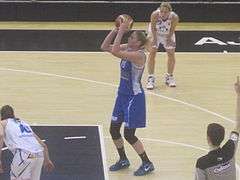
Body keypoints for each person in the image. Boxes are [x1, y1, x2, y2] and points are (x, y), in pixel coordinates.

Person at [101, 17, 154, 176]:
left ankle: (147, 163)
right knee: (113, 130)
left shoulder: (139, 55)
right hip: (122, 96)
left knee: (129, 134)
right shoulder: (128, 48)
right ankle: (123, 159)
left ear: (138, 43)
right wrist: (116, 29)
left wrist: (122, 30)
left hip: (134, 98)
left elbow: (116, 51)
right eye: (129, 36)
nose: (128, 37)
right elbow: (104, 47)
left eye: (131, 37)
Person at [195, 76, 240, 180]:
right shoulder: (230, 148)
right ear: (223, 137)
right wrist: (238, 95)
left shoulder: (202, 163)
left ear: (208, 138)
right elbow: (238, 125)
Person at [0, 105, 54, 180]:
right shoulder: (23, 123)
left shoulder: (2, 123)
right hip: (39, 156)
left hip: (24, 155)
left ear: (1, 115)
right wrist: (47, 159)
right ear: (13, 114)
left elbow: (1, 135)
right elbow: (43, 144)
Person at [146, 1, 179, 89]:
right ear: (159, 10)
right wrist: (154, 39)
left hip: (167, 33)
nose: (163, 14)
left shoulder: (174, 17)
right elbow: (152, 27)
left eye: (165, 12)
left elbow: (172, 29)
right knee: (152, 52)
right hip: (155, 33)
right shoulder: (155, 14)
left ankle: (169, 76)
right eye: (162, 11)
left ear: (169, 12)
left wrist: (168, 39)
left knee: (171, 53)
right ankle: (151, 77)